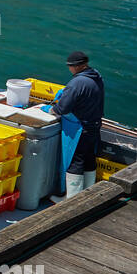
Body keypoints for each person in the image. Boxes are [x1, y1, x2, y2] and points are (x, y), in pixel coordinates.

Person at [48, 51, 105, 202]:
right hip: (94, 125)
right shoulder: (96, 76)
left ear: (77, 67)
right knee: (89, 158)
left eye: (70, 67)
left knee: (76, 160)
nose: (69, 69)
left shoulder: (77, 83)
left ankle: (71, 200)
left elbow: (63, 108)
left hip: (81, 129)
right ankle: (88, 193)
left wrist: (52, 109)